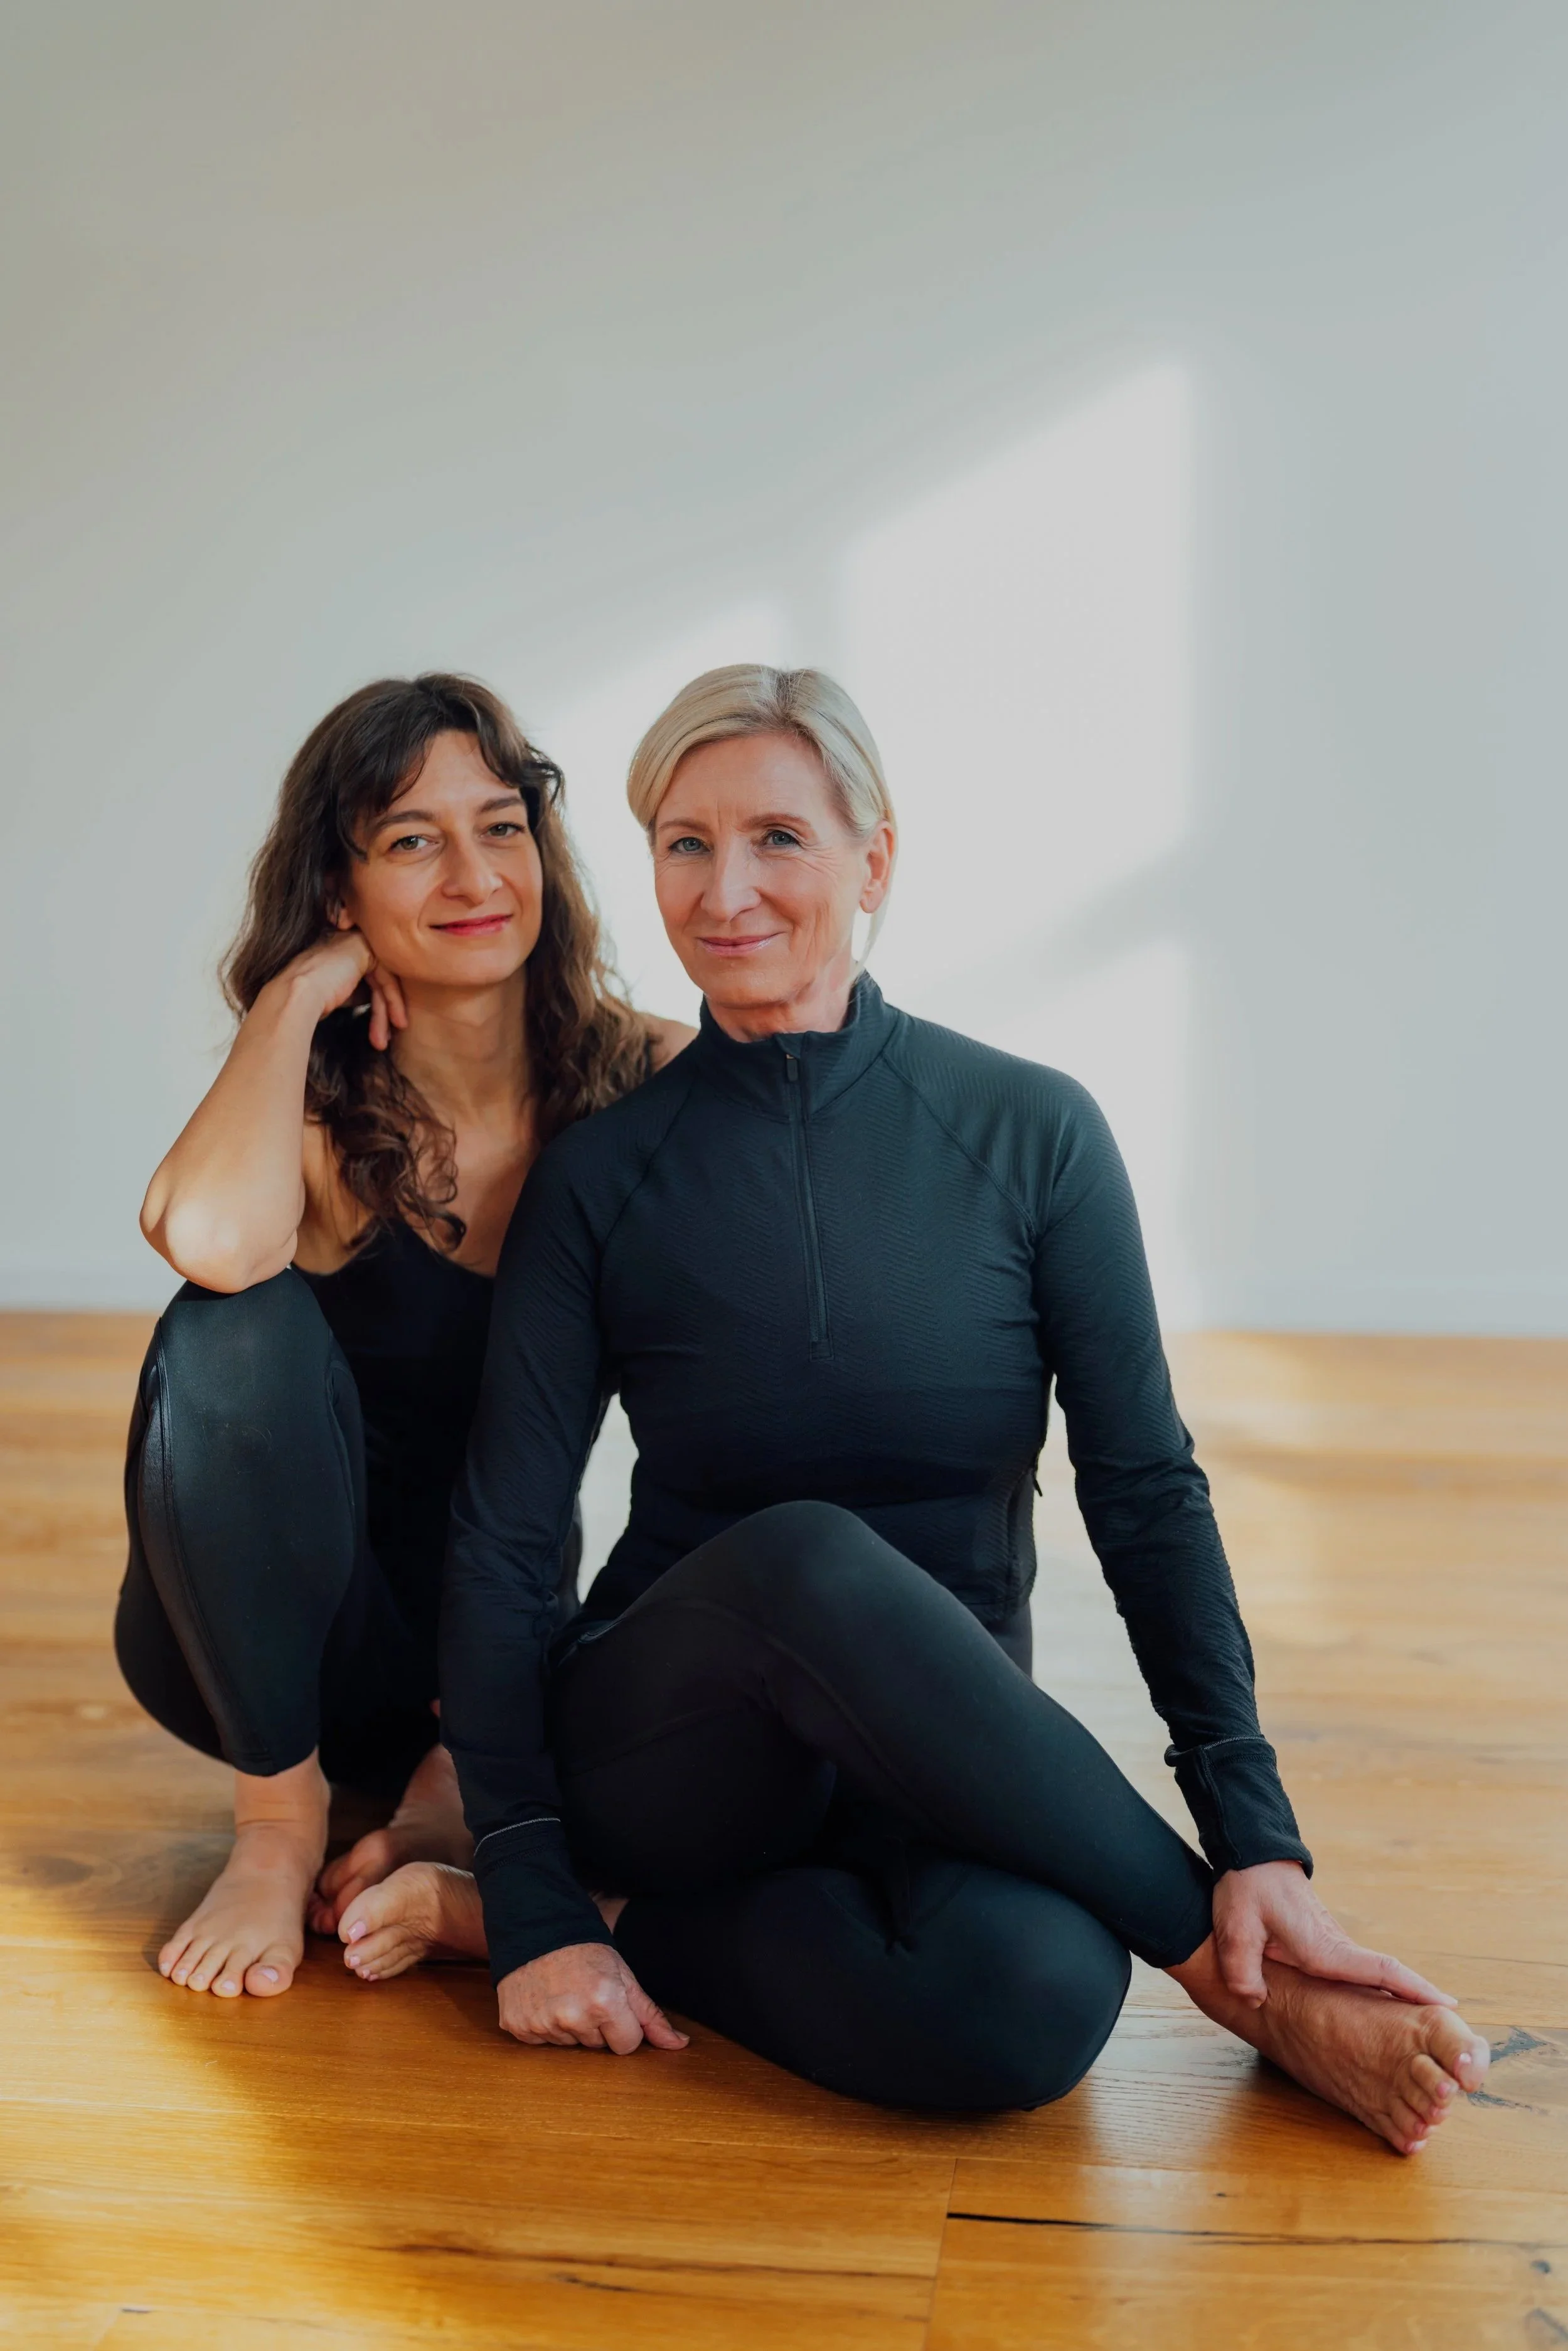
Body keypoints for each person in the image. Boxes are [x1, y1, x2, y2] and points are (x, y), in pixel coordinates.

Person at [352, 664, 1490, 2151]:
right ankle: (1251, 1986)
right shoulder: (603, 1172)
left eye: (777, 838)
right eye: (684, 844)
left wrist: (1256, 1830)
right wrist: (532, 1871)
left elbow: (1144, 1487)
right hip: (680, 1746)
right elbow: (504, 1543)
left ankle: (625, 1927)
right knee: (807, 1556)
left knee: (1029, 2000)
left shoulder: (1032, 1132)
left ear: (874, 859)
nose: (725, 888)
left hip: (933, 1739)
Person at [121, 672, 691, 2001]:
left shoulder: (640, 1085)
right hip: (256, 1645)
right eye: (410, 840)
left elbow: (814, 1095)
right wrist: (295, 997)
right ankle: (278, 1825)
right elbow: (204, 1235)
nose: (473, 872)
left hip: (493, 1643)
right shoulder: (316, 1114)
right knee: (231, 1327)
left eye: (501, 826)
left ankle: (453, 1778)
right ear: (341, 886)